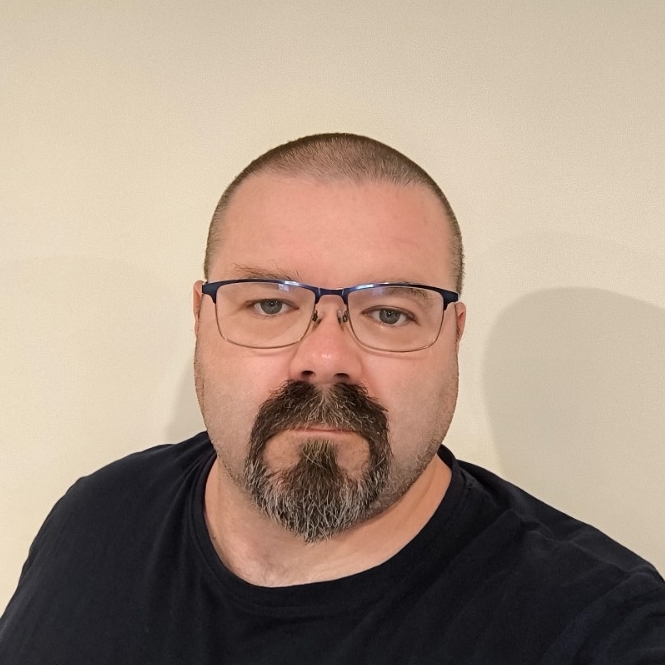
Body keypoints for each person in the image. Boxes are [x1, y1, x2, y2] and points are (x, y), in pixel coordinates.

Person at [1, 133, 663, 664]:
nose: (324, 358)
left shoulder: (599, 627)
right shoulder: (95, 517)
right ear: (202, 319)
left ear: (452, 336)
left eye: (390, 314)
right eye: (269, 304)